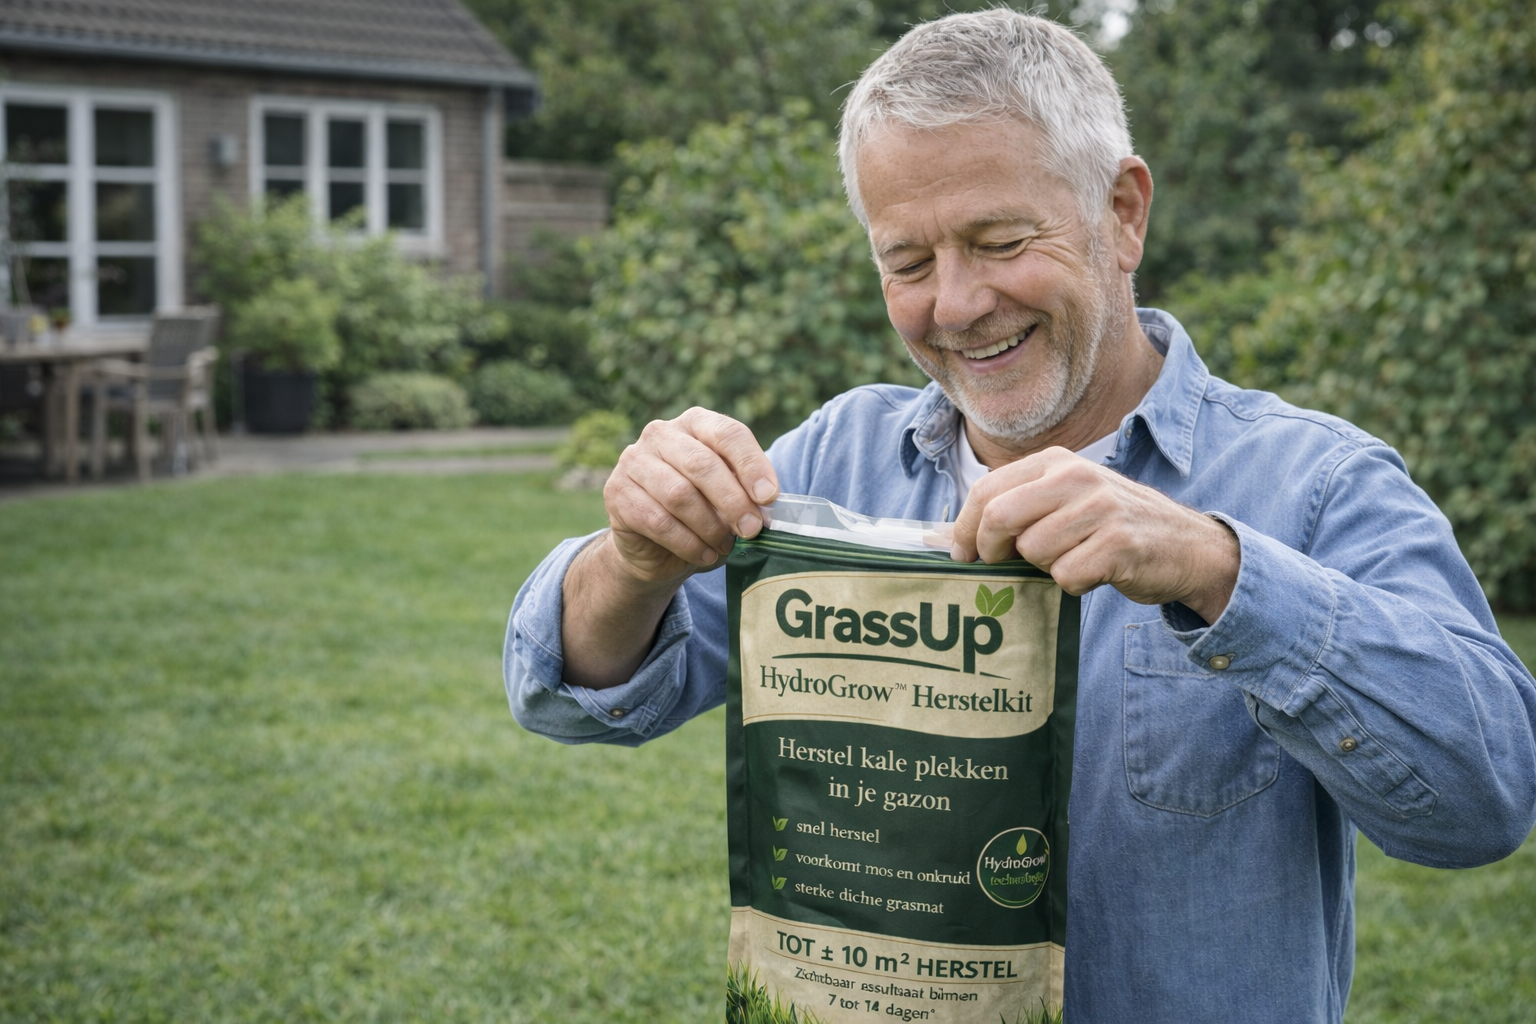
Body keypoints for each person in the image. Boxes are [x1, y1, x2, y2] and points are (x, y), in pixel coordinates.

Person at [503, 9, 1536, 1022]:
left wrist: (1217, 572)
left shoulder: (1312, 482)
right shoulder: (836, 460)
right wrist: (631, 561)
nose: (953, 304)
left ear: (1123, 212)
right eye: (907, 262)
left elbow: (1487, 796)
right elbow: (562, 695)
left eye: (1000, 241)